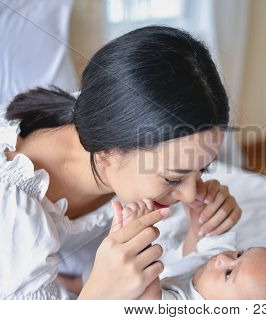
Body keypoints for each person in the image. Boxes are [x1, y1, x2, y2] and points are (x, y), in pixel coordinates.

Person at [0, 26, 242, 300]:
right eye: (173, 178)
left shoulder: (121, 123)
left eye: (202, 169)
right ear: (106, 151)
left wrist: (199, 233)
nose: (191, 193)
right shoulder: (13, 212)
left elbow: (165, 275)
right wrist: (98, 296)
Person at [111, 199, 266, 300]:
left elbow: (147, 297)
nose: (223, 258)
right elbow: (210, 232)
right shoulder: (216, 265)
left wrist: (137, 233)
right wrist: (201, 204)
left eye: (229, 274)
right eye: (240, 254)